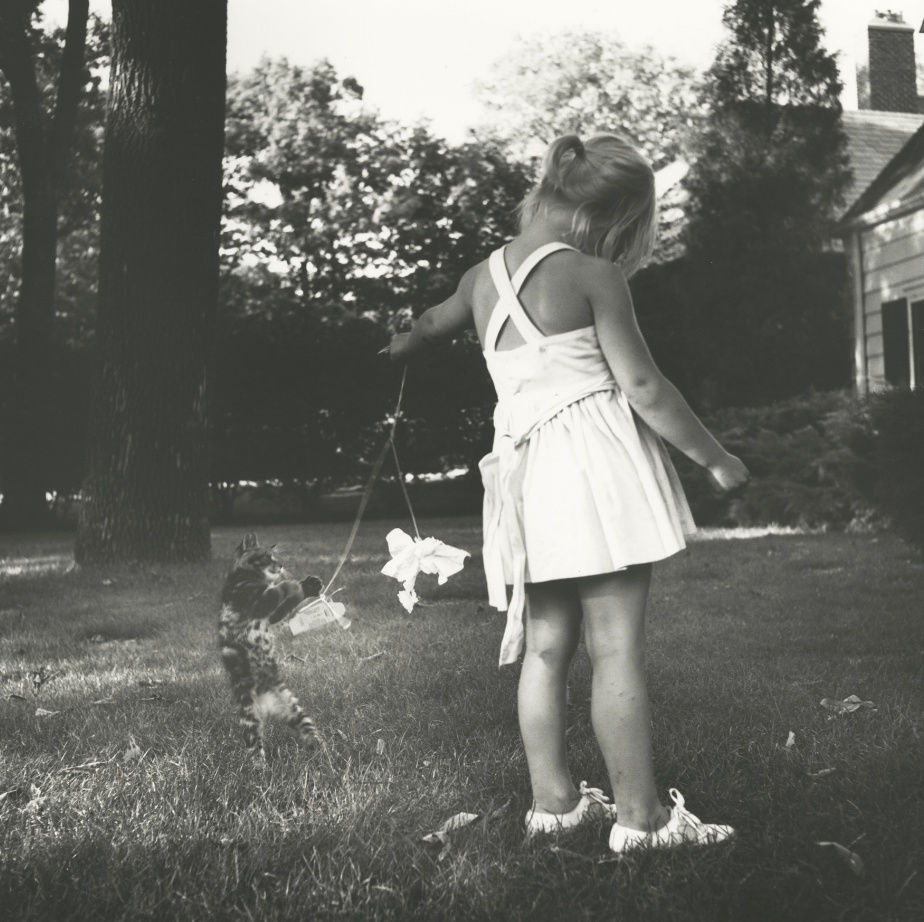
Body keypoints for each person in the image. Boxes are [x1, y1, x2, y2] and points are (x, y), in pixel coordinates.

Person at [385, 133, 749, 854]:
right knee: (615, 647)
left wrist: (405, 344)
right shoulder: (592, 275)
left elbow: (427, 325)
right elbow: (642, 385)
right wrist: (715, 458)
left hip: (526, 479)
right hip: (595, 473)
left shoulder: (480, 277)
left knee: (545, 647)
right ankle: (642, 820)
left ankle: (553, 806)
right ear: (609, 218)